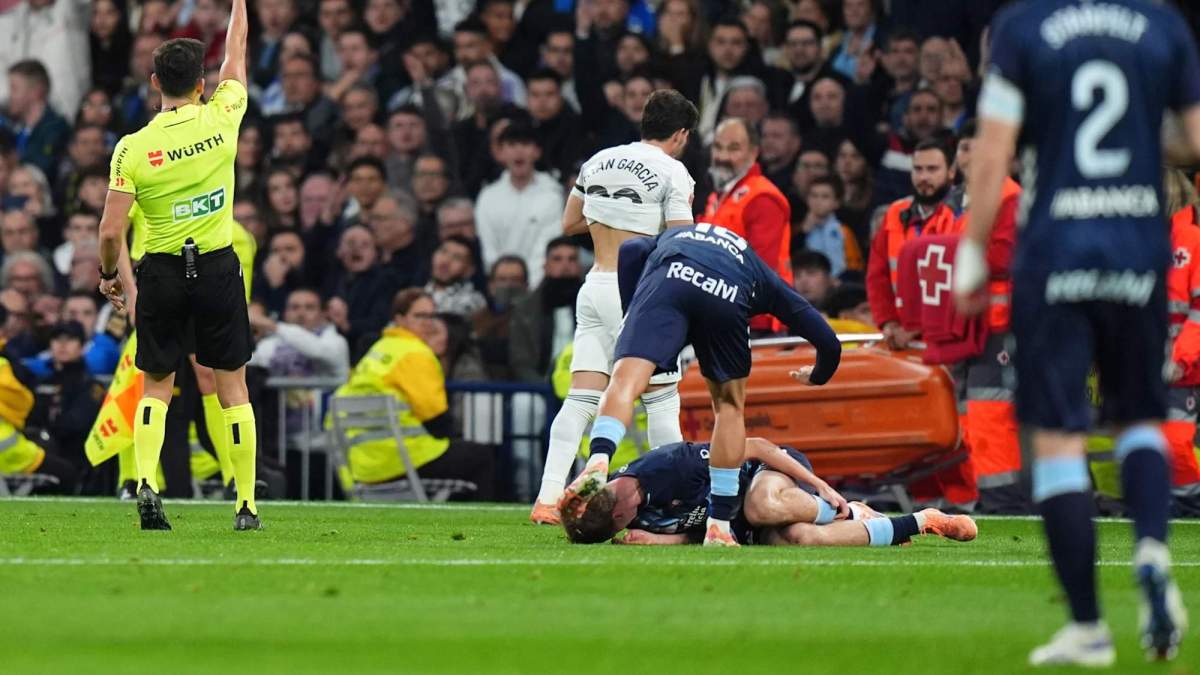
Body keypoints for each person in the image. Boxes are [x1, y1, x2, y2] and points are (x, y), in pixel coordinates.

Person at [953, 0, 1200, 665]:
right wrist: (1143, 136)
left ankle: (1089, 626)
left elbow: (993, 148)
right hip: (1137, 248)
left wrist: (972, 250)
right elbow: (1194, 141)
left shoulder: (1023, 26)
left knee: (1059, 439)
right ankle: (1152, 547)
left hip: (1054, 253)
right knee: (1139, 419)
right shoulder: (1162, 24)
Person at [562, 221, 842, 547]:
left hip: (669, 280)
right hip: (728, 292)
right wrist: (818, 374)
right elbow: (829, 342)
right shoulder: (761, 275)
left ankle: (598, 460)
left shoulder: (672, 237)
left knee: (624, 380)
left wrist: (634, 318)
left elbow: (631, 250)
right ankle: (719, 525)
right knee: (728, 407)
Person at [97, 0, 260, 531]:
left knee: (156, 387)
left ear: (154, 82)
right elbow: (237, 50)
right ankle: (245, 504)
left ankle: (147, 482)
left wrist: (108, 276)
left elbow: (110, 231)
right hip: (216, 266)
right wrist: (239, 5)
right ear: (202, 84)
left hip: (162, 272)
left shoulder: (132, 148)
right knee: (233, 389)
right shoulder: (223, 116)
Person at [529, 90, 698, 525]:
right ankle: (671, 501)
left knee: (581, 398)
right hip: (638, 292)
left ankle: (547, 497)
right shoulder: (673, 171)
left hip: (595, 285)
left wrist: (613, 220)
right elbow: (681, 241)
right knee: (662, 399)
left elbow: (569, 223)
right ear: (681, 134)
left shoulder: (598, 160)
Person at [562, 437, 976, 547]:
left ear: (619, 513)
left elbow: (757, 446)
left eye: (620, 525)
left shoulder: (670, 466)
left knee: (762, 505)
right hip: (741, 524)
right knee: (803, 539)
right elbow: (698, 532)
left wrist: (820, 485)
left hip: (763, 474)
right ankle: (922, 521)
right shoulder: (628, 514)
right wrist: (662, 541)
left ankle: (846, 510)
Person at [332, 288, 495, 499]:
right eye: (420, 316)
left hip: (365, 464)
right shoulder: (415, 353)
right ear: (400, 319)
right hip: (404, 460)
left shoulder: (379, 349)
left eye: (432, 316)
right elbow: (436, 419)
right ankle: (477, 519)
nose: (428, 323)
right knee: (480, 456)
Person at [703, 117, 793, 335]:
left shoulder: (762, 197)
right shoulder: (718, 198)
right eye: (718, 147)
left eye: (734, 148)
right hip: (724, 313)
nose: (723, 156)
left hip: (756, 321)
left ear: (753, 153)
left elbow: (760, 270)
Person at [866, 139, 957, 352]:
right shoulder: (895, 213)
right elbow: (878, 277)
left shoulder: (961, 216)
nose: (924, 177)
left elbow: (958, 287)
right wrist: (889, 322)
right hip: (900, 336)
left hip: (948, 336)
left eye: (932, 169)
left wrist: (916, 328)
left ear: (951, 172)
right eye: (918, 169)